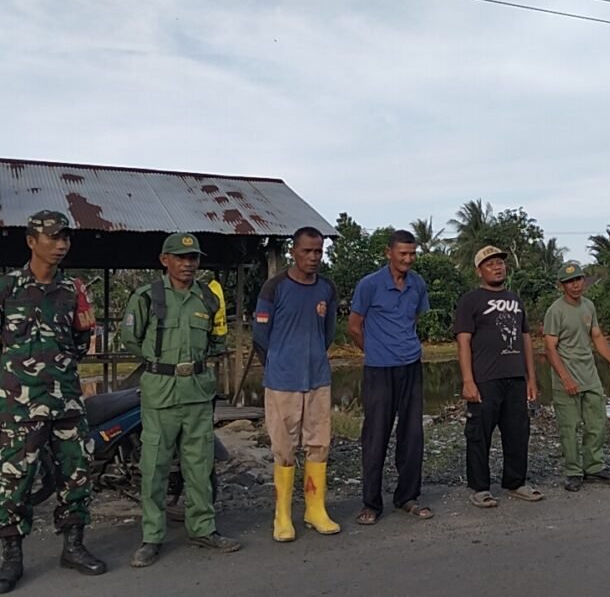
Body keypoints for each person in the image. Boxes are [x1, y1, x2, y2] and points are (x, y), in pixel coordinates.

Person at [0, 210, 106, 594]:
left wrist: (56, 370)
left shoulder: (73, 291)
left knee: (76, 474)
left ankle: (74, 546)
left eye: (65, 237)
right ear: (31, 241)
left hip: (66, 402)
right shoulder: (5, 289)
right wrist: (16, 379)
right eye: (53, 237)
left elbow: (83, 340)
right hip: (19, 406)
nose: (61, 244)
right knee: (15, 481)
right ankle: (11, 559)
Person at [121, 232, 241, 567]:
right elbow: (130, 339)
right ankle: (151, 537)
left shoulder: (207, 298)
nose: (188, 264)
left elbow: (217, 341)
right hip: (161, 392)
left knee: (200, 464)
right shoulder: (148, 297)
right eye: (180, 257)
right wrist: (160, 364)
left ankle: (203, 528)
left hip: (197, 392)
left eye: (193, 259)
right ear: (165, 260)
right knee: (155, 466)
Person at [252, 226, 340, 542]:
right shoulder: (274, 287)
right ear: (294, 251)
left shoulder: (327, 288)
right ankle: (283, 515)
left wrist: (313, 355)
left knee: (319, 442)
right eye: (307, 251)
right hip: (282, 380)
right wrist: (279, 362)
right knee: (284, 447)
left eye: (318, 251)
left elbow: (328, 332)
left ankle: (315, 509)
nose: (314, 257)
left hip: (317, 377)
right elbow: (260, 336)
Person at [348, 230, 433, 525]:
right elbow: (355, 326)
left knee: (412, 435)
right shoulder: (369, 285)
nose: (408, 259)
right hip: (379, 370)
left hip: (411, 365)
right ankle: (371, 503)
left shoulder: (417, 283)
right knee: (375, 435)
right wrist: (374, 351)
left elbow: (414, 320)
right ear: (389, 253)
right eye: (402, 254)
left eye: (412, 254)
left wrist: (403, 347)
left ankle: (407, 497)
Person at [454, 246, 543, 508]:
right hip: (485, 379)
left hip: (515, 377)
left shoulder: (515, 300)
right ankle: (479, 487)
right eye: (490, 263)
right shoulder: (471, 300)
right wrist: (468, 380)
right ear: (479, 270)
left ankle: (515, 482)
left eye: (500, 263)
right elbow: (463, 341)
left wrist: (531, 377)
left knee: (517, 433)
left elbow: (526, 338)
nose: (497, 267)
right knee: (479, 434)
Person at [543, 261, 610, 492]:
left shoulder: (588, 306)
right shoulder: (555, 311)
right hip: (566, 376)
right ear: (562, 286)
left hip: (590, 375)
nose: (576, 285)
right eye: (570, 281)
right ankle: (573, 471)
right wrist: (566, 378)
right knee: (570, 426)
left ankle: (594, 466)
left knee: (596, 423)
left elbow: (597, 336)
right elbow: (549, 348)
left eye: (578, 279)